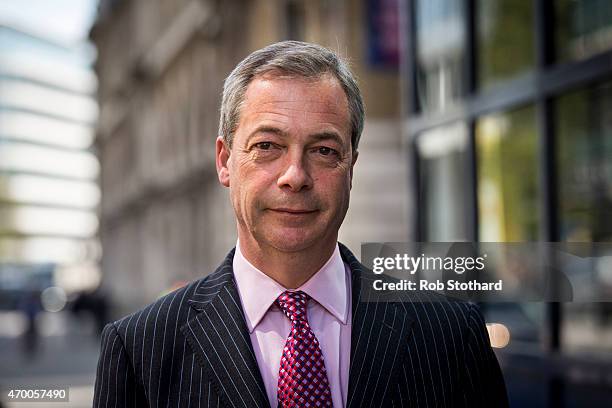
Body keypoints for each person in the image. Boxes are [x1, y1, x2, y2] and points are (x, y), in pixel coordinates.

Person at [93, 41, 508, 408]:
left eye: (324, 150)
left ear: (351, 167)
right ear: (224, 161)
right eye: (267, 146)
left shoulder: (451, 337)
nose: (295, 174)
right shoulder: (141, 351)